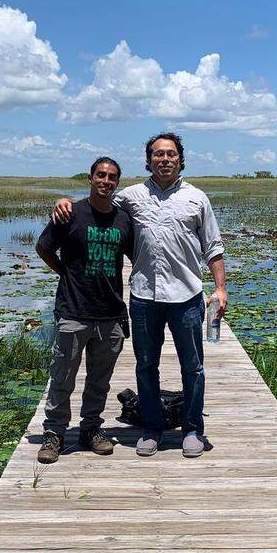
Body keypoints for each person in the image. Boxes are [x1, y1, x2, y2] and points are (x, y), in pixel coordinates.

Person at [53, 133, 226, 458]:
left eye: (170, 154)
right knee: (146, 366)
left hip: (187, 296)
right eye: (158, 154)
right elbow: (96, 203)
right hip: (145, 297)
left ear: (180, 160)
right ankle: (152, 428)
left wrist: (220, 288)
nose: (164, 159)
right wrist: (65, 201)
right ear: (148, 161)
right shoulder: (131, 196)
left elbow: (213, 247)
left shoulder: (197, 198)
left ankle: (192, 429)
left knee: (193, 367)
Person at [35, 156, 134, 464]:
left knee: (99, 380)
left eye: (112, 177)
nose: (106, 181)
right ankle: (54, 433)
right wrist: (64, 271)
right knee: (62, 375)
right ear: (90, 178)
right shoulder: (70, 212)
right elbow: (43, 247)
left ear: (117, 183)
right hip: (73, 311)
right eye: (101, 175)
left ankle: (90, 429)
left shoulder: (123, 219)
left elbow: (139, 254)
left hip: (110, 313)